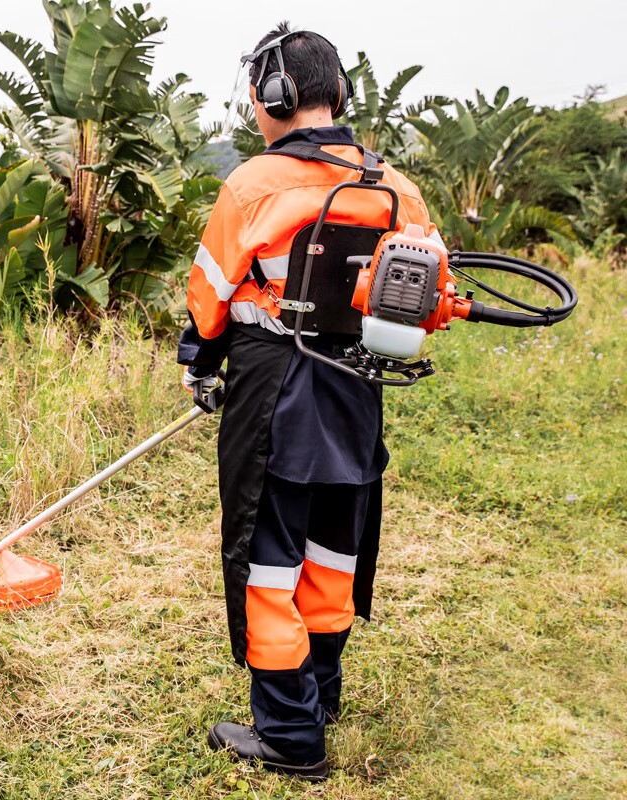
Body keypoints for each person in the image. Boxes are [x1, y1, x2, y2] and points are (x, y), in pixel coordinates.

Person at [178, 22, 442, 781]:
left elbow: (211, 296)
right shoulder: (397, 187)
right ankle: (320, 693)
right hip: (359, 387)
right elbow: (423, 296)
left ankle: (290, 735)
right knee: (334, 548)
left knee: (268, 557)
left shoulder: (254, 183)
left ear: (273, 96)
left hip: (273, 386)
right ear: (339, 94)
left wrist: (197, 362)